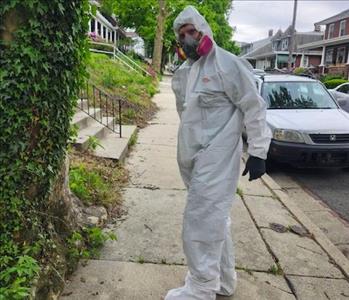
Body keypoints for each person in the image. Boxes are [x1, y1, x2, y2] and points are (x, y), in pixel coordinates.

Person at [166, 6, 271, 300]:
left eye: (192, 32)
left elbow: (254, 106)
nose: (188, 38)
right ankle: (224, 281)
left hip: (219, 157)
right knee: (215, 220)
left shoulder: (228, 65)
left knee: (201, 220)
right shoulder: (187, 71)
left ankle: (201, 288)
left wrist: (259, 150)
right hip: (194, 158)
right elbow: (187, 114)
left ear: (204, 30)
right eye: (182, 34)